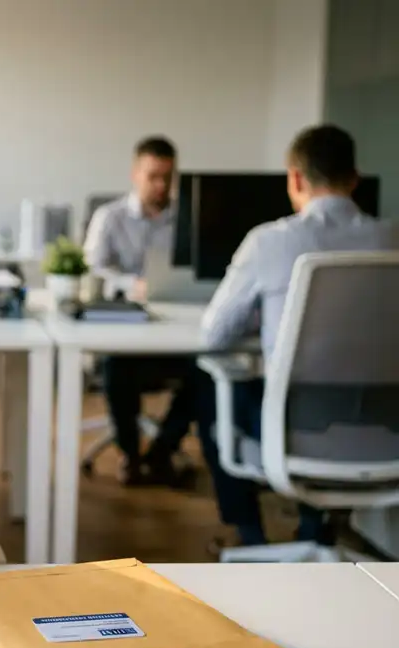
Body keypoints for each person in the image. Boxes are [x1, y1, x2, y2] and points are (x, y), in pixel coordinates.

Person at [196, 124, 398, 547]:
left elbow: (214, 335)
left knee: (210, 392)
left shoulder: (268, 243)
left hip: (296, 435)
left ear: (295, 179)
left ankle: (252, 538)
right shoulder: (393, 240)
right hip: (386, 438)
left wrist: (265, 320)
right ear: (355, 179)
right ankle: (314, 534)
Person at [83, 136, 195, 485]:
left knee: (205, 373)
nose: (161, 185)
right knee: (117, 369)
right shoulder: (110, 217)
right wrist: (133, 285)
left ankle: (161, 451)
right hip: (124, 332)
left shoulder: (186, 218)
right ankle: (129, 455)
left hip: (173, 329)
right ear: (135, 174)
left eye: (167, 177)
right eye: (153, 176)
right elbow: (93, 269)